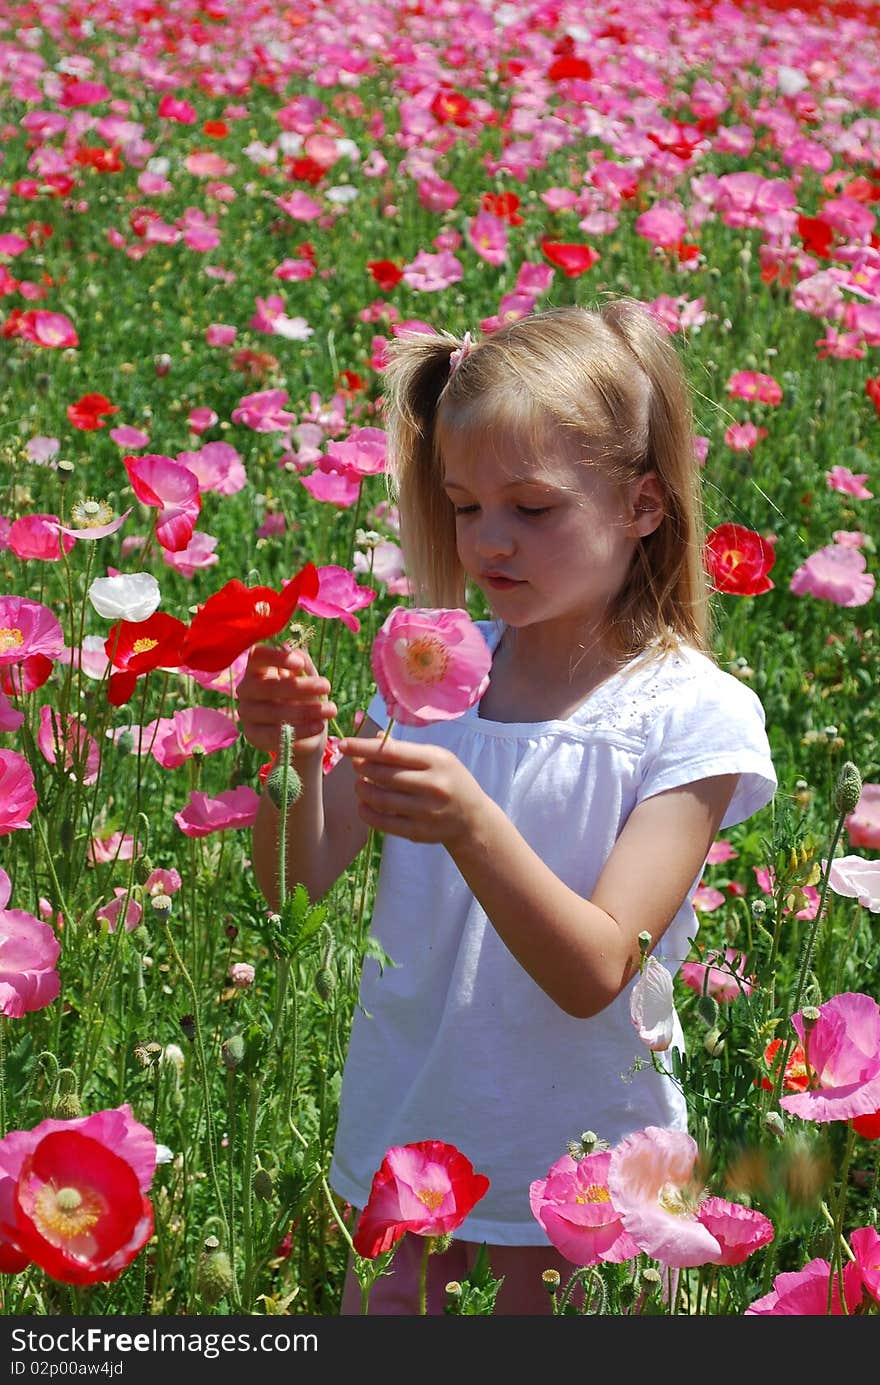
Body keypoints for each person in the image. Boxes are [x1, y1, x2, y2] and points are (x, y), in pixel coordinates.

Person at [238, 302, 777, 1315]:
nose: (490, 539)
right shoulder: (431, 672)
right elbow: (290, 885)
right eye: (463, 505)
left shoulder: (690, 714)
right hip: (412, 1147)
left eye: (532, 508)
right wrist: (288, 756)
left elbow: (596, 970)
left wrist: (475, 824)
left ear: (642, 506)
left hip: (576, 1180)